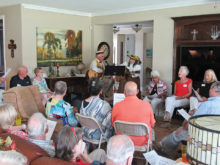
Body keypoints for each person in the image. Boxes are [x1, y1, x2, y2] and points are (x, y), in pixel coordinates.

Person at [160, 81, 220, 155]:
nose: (209, 90)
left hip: (204, 137)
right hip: (216, 138)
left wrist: (185, 124)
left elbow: (191, 123)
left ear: (213, 89)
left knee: (178, 132)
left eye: (210, 88)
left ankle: (164, 150)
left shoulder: (207, 104)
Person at [112, 81, 155, 146]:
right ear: (137, 91)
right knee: (152, 130)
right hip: (143, 142)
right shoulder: (147, 105)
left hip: (123, 141)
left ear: (124, 92)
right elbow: (152, 125)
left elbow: (113, 125)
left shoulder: (116, 106)